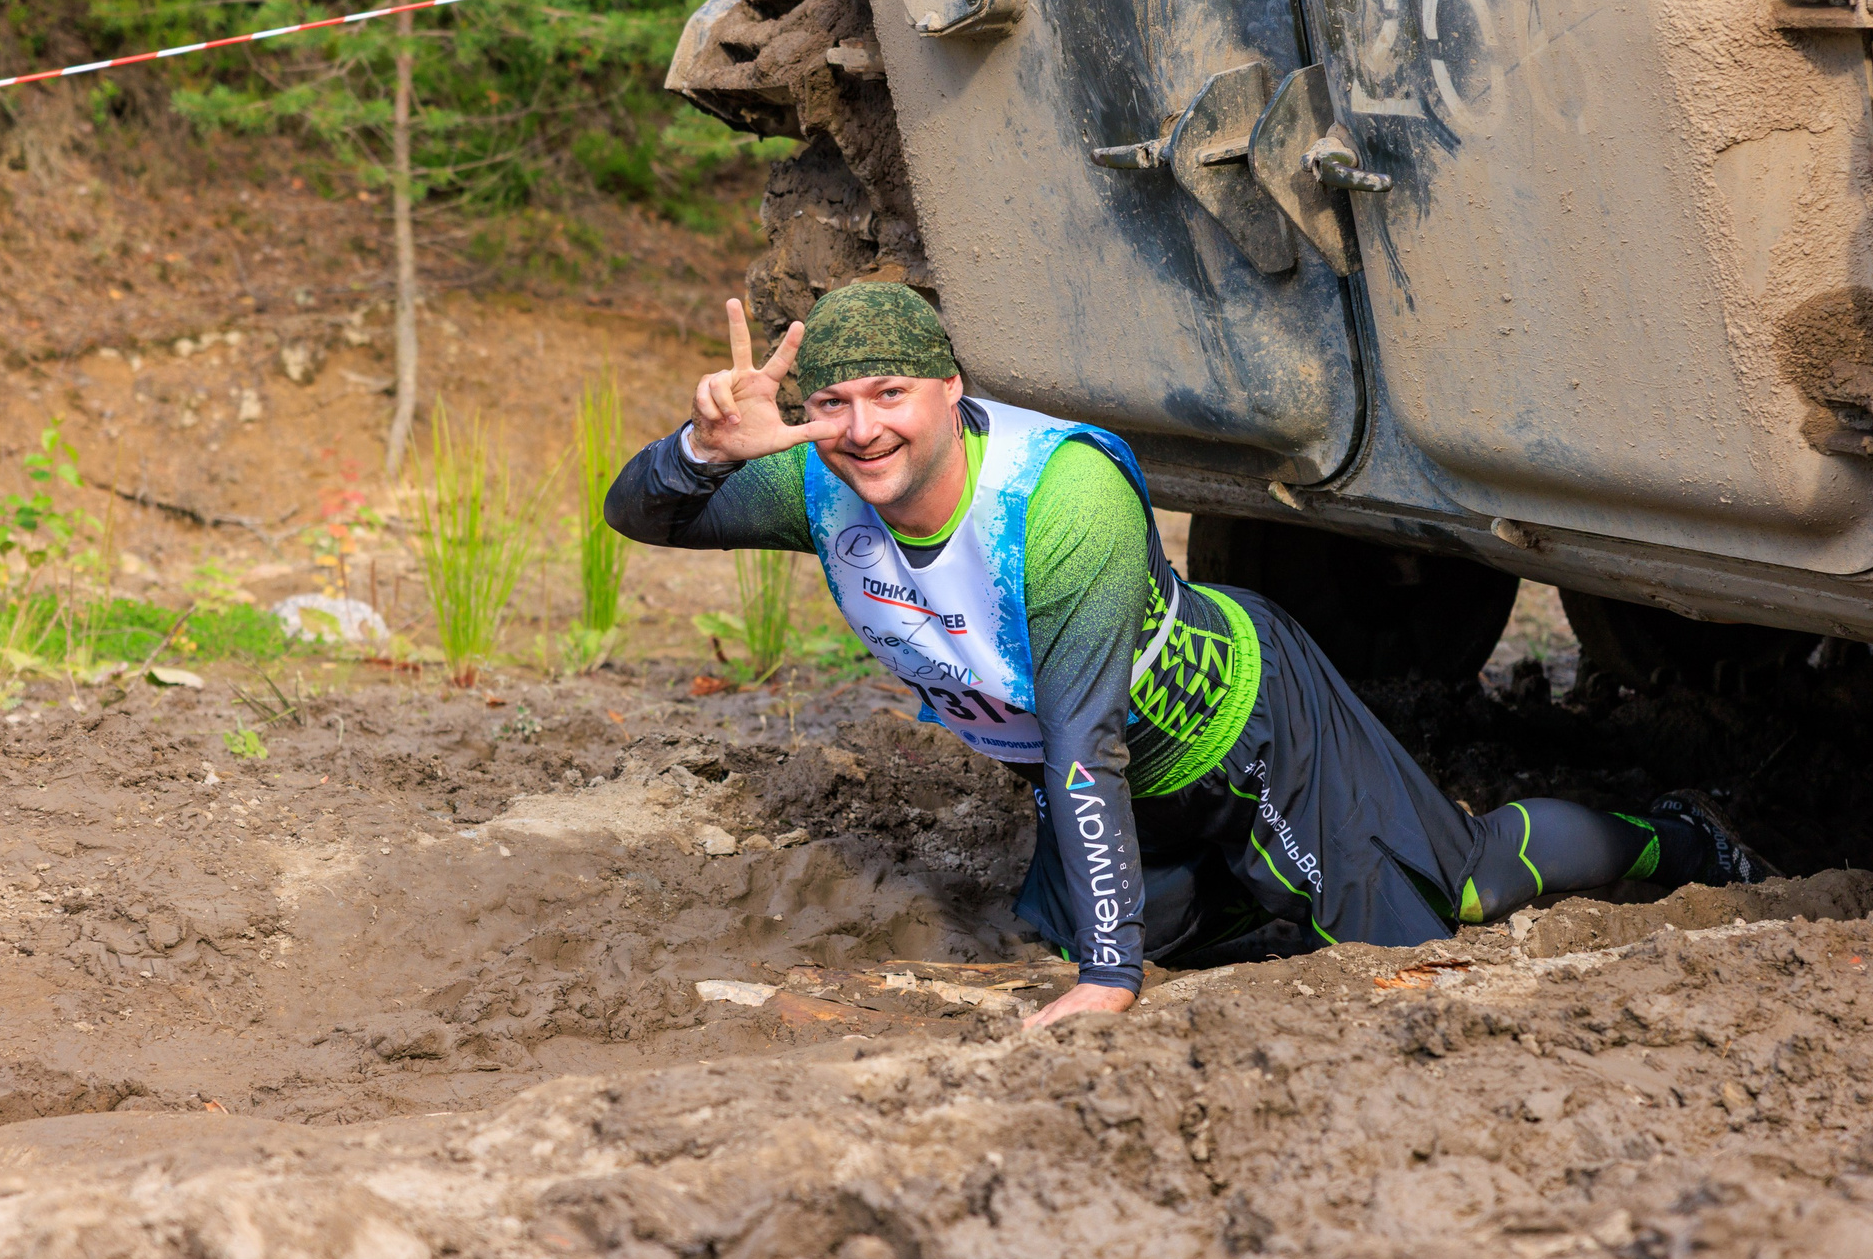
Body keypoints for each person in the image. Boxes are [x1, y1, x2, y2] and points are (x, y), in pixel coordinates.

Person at [605, 283, 1773, 1030]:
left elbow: (1082, 746)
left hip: (1250, 726)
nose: (862, 428)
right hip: (1129, 783)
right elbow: (640, 516)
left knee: (1435, 903)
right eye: (834, 403)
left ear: (951, 391)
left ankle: (1677, 834)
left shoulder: (1057, 501)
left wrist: (1109, 979)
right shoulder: (821, 478)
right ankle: (1256, 891)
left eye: (892, 395)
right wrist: (698, 452)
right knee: (1096, 931)